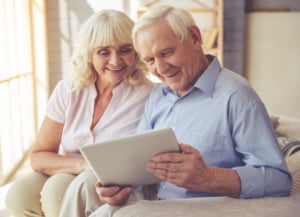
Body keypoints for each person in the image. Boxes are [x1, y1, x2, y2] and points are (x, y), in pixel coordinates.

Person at [90, 5, 292, 217]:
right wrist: (119, 187)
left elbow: (278, 179)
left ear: (195, 38)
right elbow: (138, 164)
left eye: (166, 53)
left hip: (209, 209)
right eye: (150, 60)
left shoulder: (237, 97)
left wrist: (209, 177)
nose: (160, 69)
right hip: (156, 203)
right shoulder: (158, 96)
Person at [5, 9, 153, 217]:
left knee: (55, 192)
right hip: (73, 167)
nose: (115, 61)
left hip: (109, 179)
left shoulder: (148, 95)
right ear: (89, 55)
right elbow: (39, 156)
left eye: (125, 50)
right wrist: (82, 165)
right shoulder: (69, 90)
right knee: (18, 196)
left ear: (136, 51)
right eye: (104, 52)